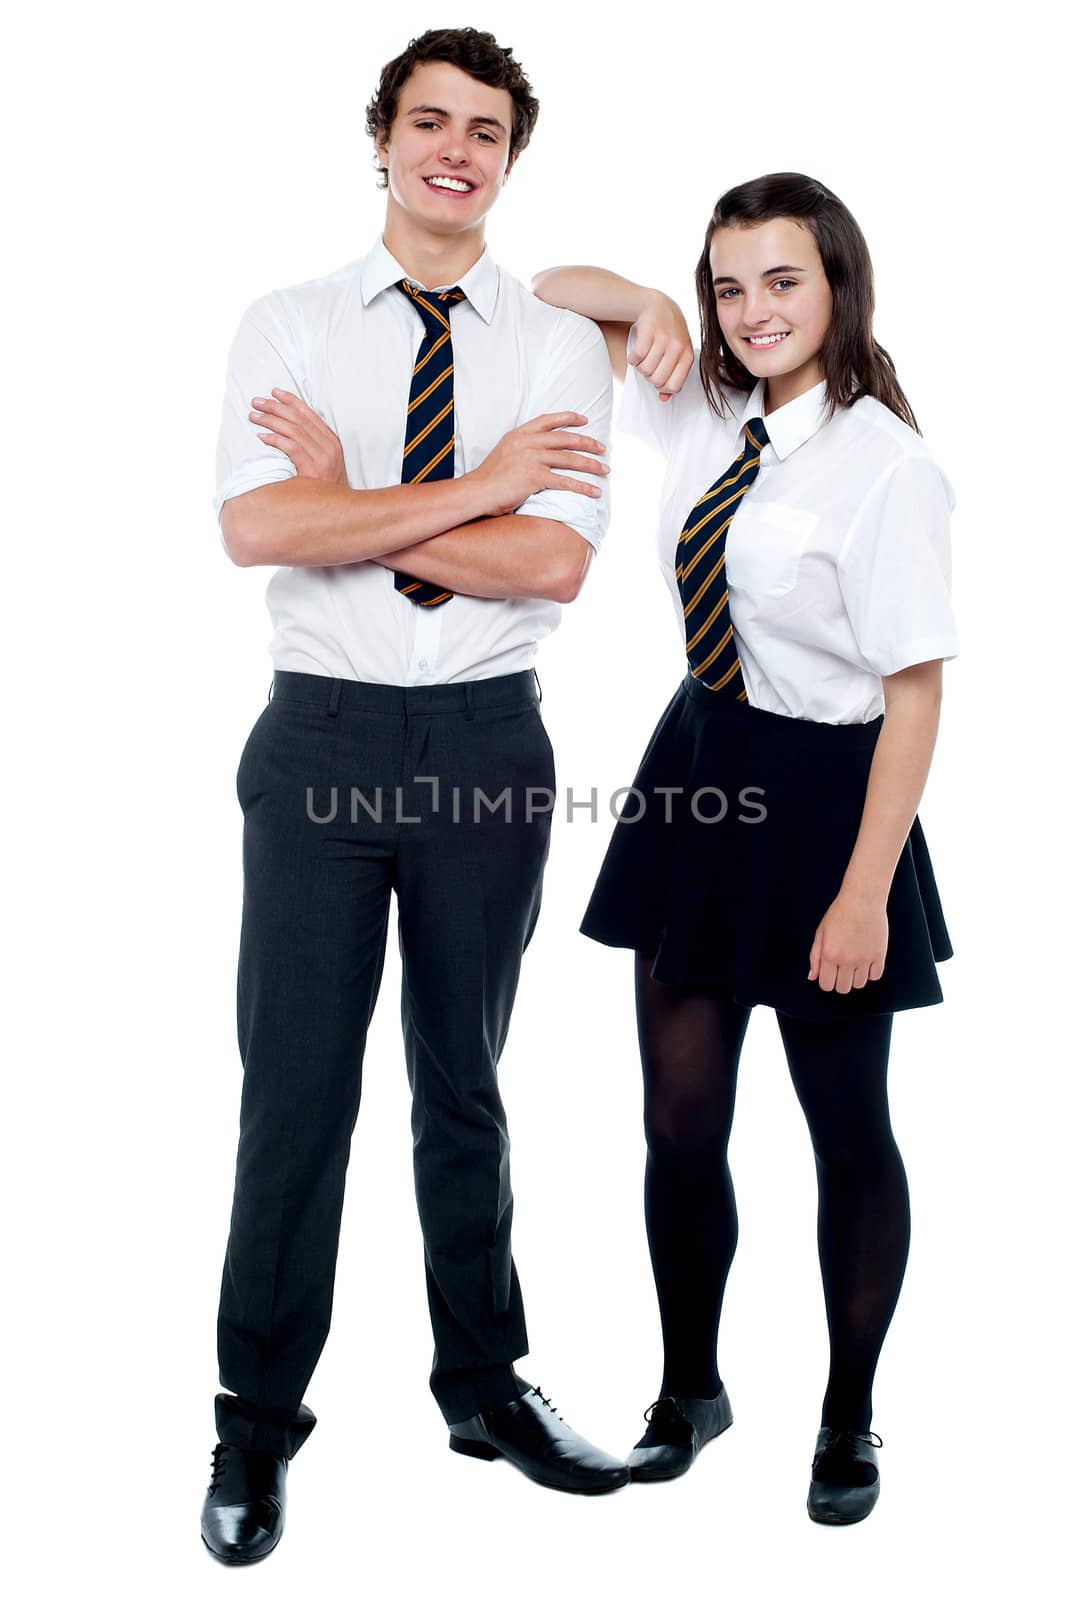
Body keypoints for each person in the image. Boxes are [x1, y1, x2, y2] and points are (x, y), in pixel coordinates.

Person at [201, 26, 629, 1567]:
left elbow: (554, 565)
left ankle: (483, 1386)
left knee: (466, 1084)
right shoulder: (290, 322)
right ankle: (254, 1429)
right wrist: (475, 486)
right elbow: (257, 529)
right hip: (316, 741)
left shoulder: (555, 346)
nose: (456, 148)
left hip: (488, 745)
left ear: (512, 160)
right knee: (294, 1097)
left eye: (487, 130)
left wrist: (355, 506)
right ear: (379, 139)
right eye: (429, 121)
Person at [531, 171, 960, 1525]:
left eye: (782, 279)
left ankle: (847, 1421)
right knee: (676, 1119)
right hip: (698, 767)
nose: (754, 309)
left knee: (845, 1133)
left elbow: (914, 692)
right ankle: (689, 1390)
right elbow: (547, 296)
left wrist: (862, 895)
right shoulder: (710, 408)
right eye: (730, 284)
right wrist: (657, 303)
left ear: (838, 282)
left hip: (832, 798)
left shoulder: (888, 466)